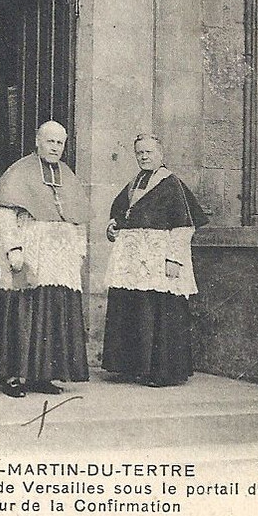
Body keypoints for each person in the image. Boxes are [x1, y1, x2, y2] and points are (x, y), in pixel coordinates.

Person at [0, 121, 89, 398]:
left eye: (60, 143)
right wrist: (13, 248)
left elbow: (79, 221)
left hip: (60, 261)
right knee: (23, 312)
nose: (55, 147)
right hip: (29, 254)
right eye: (50, 141)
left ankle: (43, 375)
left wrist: (79, 251)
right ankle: (13, 376)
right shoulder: (20, 171)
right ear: (37, 141)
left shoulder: (68, 175)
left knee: (52, 313)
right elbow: (5, 215)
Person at [102, 133, 209, 387]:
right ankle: (130, 368)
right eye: (139, 152)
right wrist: (112, 227)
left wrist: (174, 259)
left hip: (160, 258)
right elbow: (120, 213)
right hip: (132, 258)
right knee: (133, 308)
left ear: (161, 154)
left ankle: (162, 372)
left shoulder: (172, 184)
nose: (144, 156)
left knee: (159, 311)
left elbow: (184, 226)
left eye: (149, 152)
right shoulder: (134, 182)